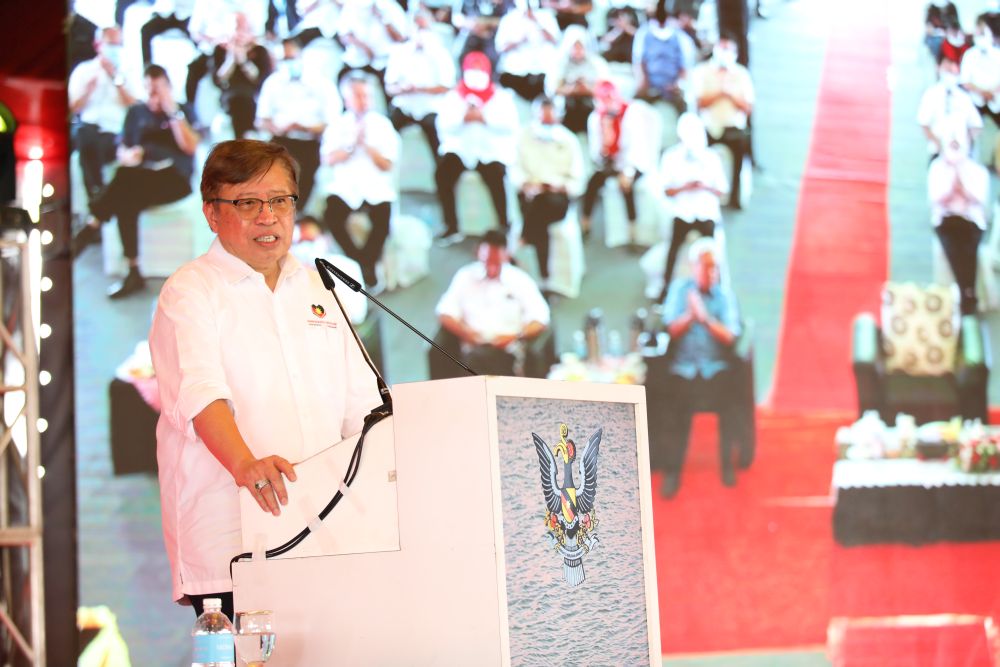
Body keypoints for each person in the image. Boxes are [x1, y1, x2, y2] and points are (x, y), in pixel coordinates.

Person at [149, 139, 383, 620]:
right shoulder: (190, 291)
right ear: (212, 213)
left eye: (279, 200)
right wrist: (245, 464)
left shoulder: (317, 287)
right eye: (247, 203)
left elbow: (363, 409)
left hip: (327, 536)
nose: (267, 217)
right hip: (234, 540)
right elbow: (200, 394)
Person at [73, 65, 201, 299]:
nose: (153, 96)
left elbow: (190, 146)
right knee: (126, 194)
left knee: (125, 181)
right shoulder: (136, 112)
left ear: (168, 88)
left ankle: (93, 224)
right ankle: (133, 271)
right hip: (140, 178)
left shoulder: (182, 111)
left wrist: (171, 111)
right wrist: (128, 155)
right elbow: (123, 148)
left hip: (175, 180)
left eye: (158, 90)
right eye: (149, 90)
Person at [655, 237, 741, 498]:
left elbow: (730, 335)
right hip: (684, 370)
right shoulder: (680, 290)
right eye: (707, 267)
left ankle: (727, 464)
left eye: (715, 268)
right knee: (673, 413)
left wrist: (705, 319)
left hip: (715, 370)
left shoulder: (724, 296)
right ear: (694, 267)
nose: (711, 273)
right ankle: (672, 471)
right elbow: (671, 328)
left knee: (731, 402)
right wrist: (691, 315)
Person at [318, 74, 401, 290]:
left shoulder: (383, 125)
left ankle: (367, 264)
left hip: (376, 187)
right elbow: (327, 159)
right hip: (346, 188)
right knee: (331, 215)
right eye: (357, 96)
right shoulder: (337, 124)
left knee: (383, 220)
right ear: (346, 99)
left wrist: (368, 146)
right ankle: (356, 261)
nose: (363, 101)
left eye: (366, 96)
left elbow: (387, 164)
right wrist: (351, 145)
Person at [433, 230, 551, 377]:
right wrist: (465, 333)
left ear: (506, 256)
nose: (491, 267)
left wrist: (516, 336)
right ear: (478, 254)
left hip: (507, 351)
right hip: (474, 351)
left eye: (496, 262)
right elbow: (444, 312)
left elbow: (541, 318)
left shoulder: (520, 280)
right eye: (487, 261)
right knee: (473, 367)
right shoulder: (465, 276)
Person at [434, 51, 520, 244]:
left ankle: (503, 225)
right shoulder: (453, 96)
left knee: (496, 176)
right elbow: (443, 124)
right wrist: (463, 118)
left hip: (489, 151)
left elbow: (510, 125)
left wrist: (484, 118)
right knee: (442, 174)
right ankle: (451, 225)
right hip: (460, 150)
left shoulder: (501, 97)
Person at [255, 37, 343, 211]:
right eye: (283, 59)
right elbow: (261, 120)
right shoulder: (273, 82)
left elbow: (332, 122)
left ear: (302, 56)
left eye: (291, 58)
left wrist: (305, 127)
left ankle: (299, 212)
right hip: (281, 139)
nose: (288, 63)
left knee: (304, 178)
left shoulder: (322, 84)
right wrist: (278, 127)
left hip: (310, 141)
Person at [512, 97, 584, 285]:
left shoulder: (569, 141)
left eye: (550, 121)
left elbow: (577, 181)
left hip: (557, 198)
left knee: (540, 208)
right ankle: (545, 276)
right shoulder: (523, 136)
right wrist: (526, 185)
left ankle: (524, 239)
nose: (546, 124)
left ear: (559, 118)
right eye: (542, 120)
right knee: (538, 212)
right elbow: (515, 170)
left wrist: (559, 186)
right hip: (529, 196)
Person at [657, 113, 728, 299]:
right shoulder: (671, 157)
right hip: (683, 212)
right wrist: (685, 187)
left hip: (706, 212)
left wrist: (704, 187)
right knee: (673, 249)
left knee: (712, 252)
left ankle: (717, 290)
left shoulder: (711, 158)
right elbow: (666, 190)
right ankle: (665, 288)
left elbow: (721, 190)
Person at [68, 26, 137, 209]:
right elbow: (72, 108)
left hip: (115, 133)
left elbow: (135, 106)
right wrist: (87, 91)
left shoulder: (127, 72)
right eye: (111, 44)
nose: (115, 49)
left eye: (118, 44)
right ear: (98, 44)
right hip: (87, 130)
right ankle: (97, 197)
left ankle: (97, 201)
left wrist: (115, 77)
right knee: (84, 135)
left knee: (94, 145)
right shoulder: (83, 70)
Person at [580, 79, 657, 241]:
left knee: (627, 187)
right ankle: (586, 223)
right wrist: (604, 147)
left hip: (633, 163)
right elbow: (595, 151)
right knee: (593, 183)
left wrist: (628, 171)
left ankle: (633, 229)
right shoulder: (595, 118)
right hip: (610, 163)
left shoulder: (630, 112)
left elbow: (636, 147)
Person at [928, 123, 991, 315]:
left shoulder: (977, 170)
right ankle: (967, 293)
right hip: (946, 221)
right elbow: (935, 199)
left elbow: (980, 199)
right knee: (953, 248)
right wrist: (951, 186)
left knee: (968, 249)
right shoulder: (937, 168)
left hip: (971, 222)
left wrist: (962, 185)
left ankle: (966, 292)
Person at [689, 31, 753, 209]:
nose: (724, 53)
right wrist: (719, 92)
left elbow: (748, 107)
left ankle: (735, 196)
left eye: (728, 49)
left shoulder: (741, 74)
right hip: (708, 127)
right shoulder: (701, 71)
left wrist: (730, 94)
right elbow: (698, 103)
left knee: (741, 149)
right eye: (721, 48)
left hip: (733, 128)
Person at [384, 8, 457, 160]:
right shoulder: (399, 52)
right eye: (417, 27)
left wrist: (421, 89)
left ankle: (440, 169)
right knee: (386, 132)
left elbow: (447, 87)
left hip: (431, 108)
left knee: (440, 142)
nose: (420, 33)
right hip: (404, 106)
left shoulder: (441, 54)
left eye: (424, 28)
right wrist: (402, 89)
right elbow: (389, 87)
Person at [211, 12, 272, 139]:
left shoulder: (259, 51)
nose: (239, 33)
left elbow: (261, 79)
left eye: (243, 28)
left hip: (253, 96)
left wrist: (244, 62)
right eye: (236, 28)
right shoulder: (220, 50)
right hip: (229, 96)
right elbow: (217, 80)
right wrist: (230, 60)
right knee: (235, 100)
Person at [494, 0, 561, 102]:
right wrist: (518, 41)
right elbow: (500, 47)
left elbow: (557, 41)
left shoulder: (547, 16)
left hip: (543, 72)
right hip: (516, 72)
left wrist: (537, 23)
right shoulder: (509, 19)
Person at [917, 57, 983, 160]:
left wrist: (964, 143)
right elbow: (924, 123)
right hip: (938, 153)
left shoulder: (964, 97)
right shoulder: (931, 94)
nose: (950, 72)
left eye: (952, 69)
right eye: (947, 68)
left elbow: (976, 125)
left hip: (961, 154)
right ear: (938, 68)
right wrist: (940, 146)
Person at [546, 25, 609, 133]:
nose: (577, 50)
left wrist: (587, 89)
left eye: (580, 47)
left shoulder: (596, 63)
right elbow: (552, 88)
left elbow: (606, 88)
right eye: (574, 47)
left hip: (591, 104)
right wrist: (572, 89)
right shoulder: (560, 63)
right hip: (567, 106)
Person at [632, 0, 686, 114]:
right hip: (649, 87)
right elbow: (639, 63)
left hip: (673, 89)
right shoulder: (644, 33)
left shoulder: (678, 35)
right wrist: (643, 85)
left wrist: (678, 84)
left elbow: (684, 67)